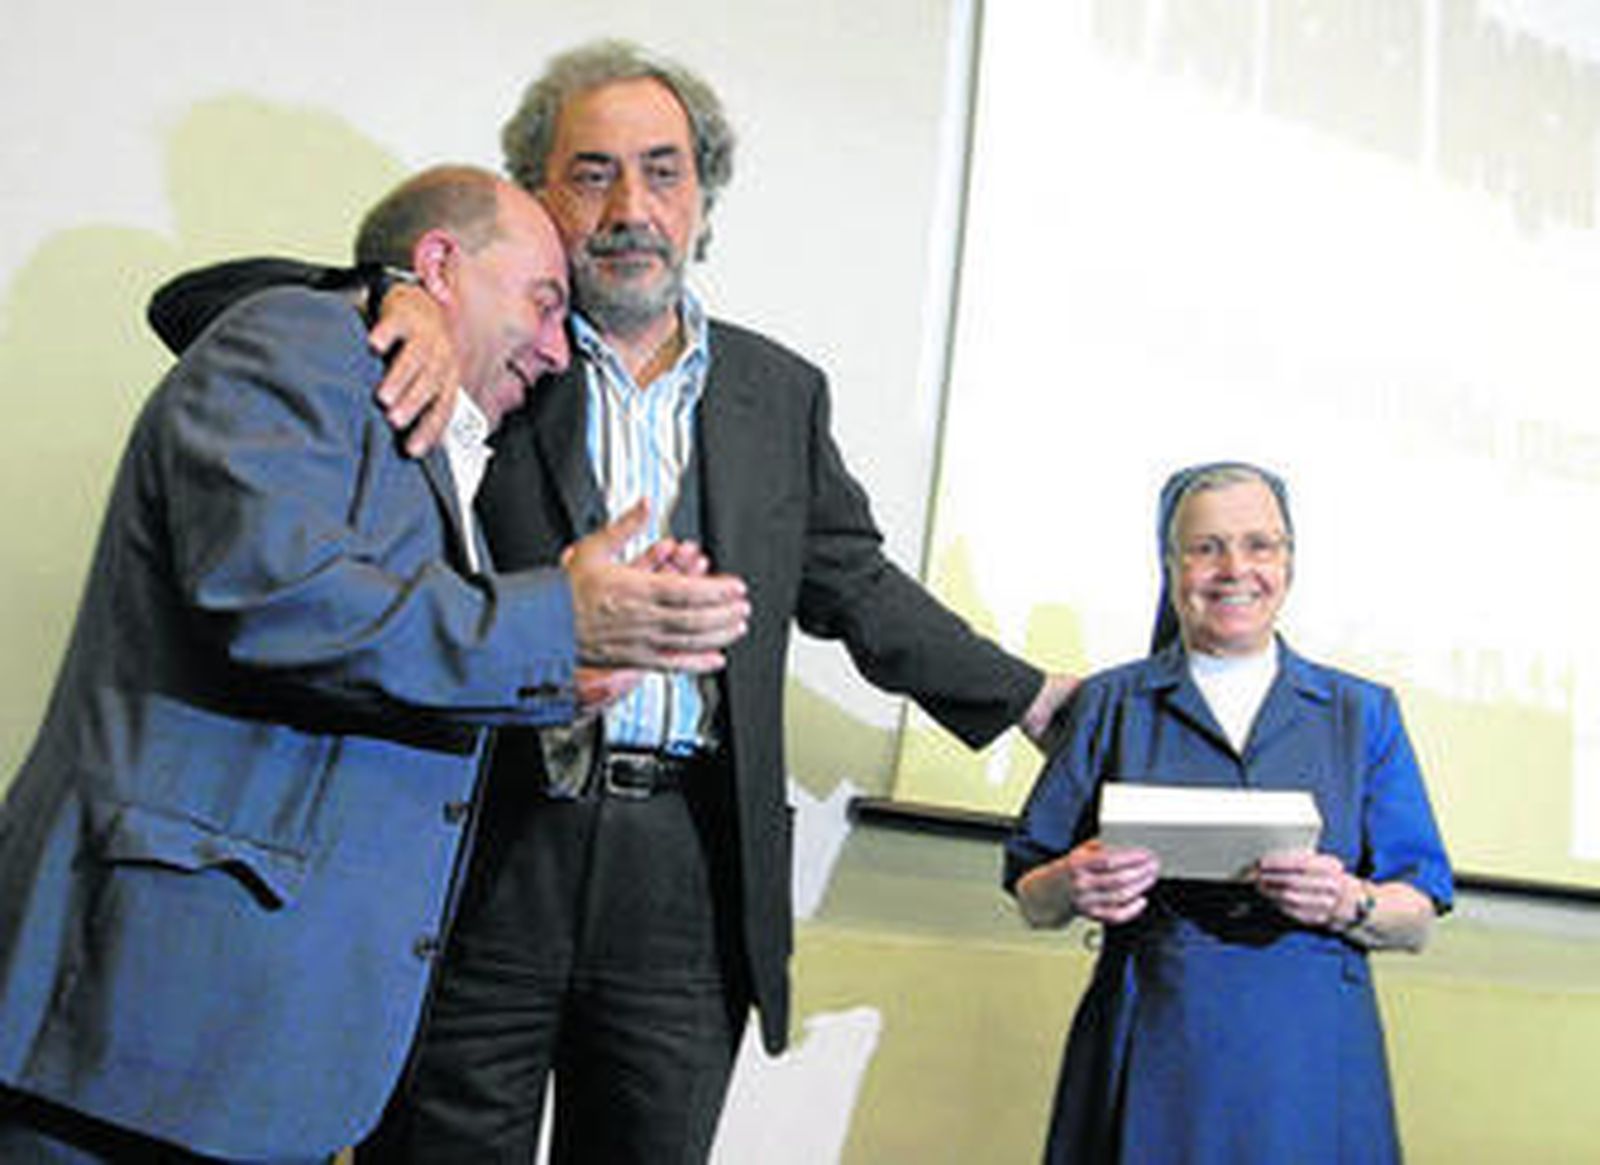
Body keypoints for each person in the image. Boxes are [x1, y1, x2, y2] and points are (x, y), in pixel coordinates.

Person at [148, 40, 1077, 1163]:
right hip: (477, 848)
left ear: (703, 198)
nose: (630, 208)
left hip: (686, 873)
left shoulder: (778, 391)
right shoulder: (489, 342)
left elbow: (856, 582)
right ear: (537, 196)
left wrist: (1030, 696)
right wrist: (393, 289)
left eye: (663, 171)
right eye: (592, 174)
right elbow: (195, 305)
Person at [0, 164, 751, 1163]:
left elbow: (368, 662)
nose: (554, 349)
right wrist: (552, 622)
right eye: (542, 303)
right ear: (437, 266)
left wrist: (558, 677)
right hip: (148, 1031)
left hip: (253, 1055)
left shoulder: (436, 431)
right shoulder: (300, 338)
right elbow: (277, 598)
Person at [1005, 461, 1454, 1164]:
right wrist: (1072, 879)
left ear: (1289, 563)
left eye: (1259, 545)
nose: (1235, 569)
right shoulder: (1111, 703)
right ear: (1170, 565)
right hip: (1152, 1038)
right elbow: (1033, 896)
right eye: (1206, 547)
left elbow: (1418, 916)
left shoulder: (1361, 713)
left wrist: (1348, 900)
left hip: (1313, 1056)